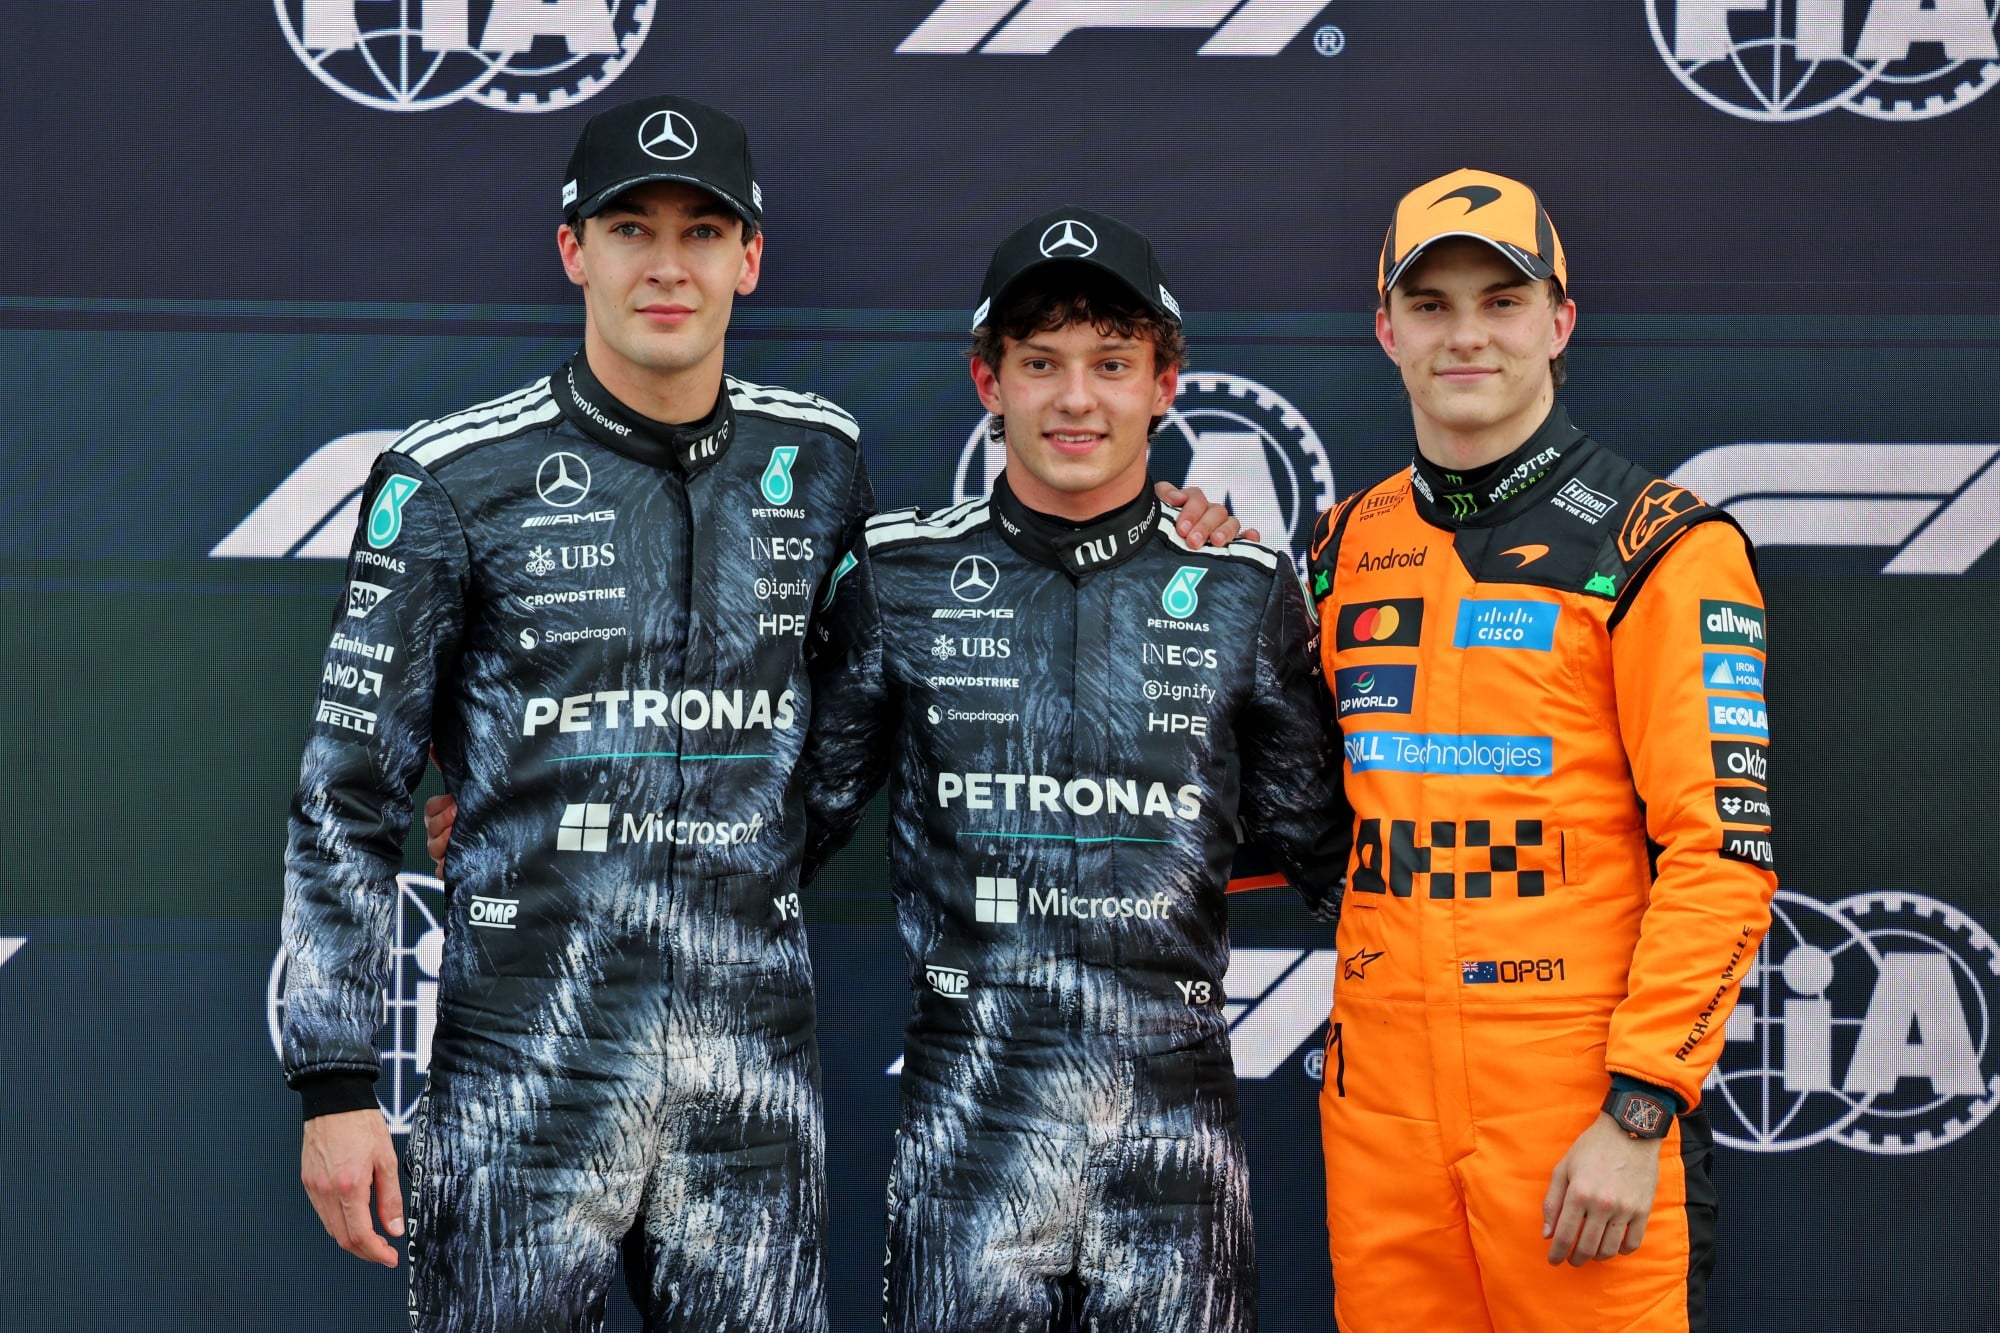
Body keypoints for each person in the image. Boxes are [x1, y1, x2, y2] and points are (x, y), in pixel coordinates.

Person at [287, 94, 1242, 1329]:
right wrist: (336, 1080)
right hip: (524, 1077)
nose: (668, 265)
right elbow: (347, 780)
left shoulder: (822, 460)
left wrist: (1171, 547)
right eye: (632, 228)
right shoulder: (451, 476)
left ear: (750, 257)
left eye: (702, 230)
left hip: (750, 1091)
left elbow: (849, 736)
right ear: (574, 250)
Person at [796, 208, 1351, 1331]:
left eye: (1110, 363)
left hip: (1175, 1132)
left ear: (1166, 384)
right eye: (1039, 363)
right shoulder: (898, 577)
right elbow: (777, 820)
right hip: (968, 1121)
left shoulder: (1244, 583)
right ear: (985, 381)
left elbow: (1335, 857)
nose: (1075, 398)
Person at [1305, 169, 1777, 1332]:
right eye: (1429, 303)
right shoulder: (1338, 547)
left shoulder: (1658, 543)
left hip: (1575, 1109)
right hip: (1379, 1113)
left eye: (1500, 300)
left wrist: (1637, 1112)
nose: (1465, 333)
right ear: (1385, 329)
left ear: (1558, 323)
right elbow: (1284, 802)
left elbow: (1719, 853)